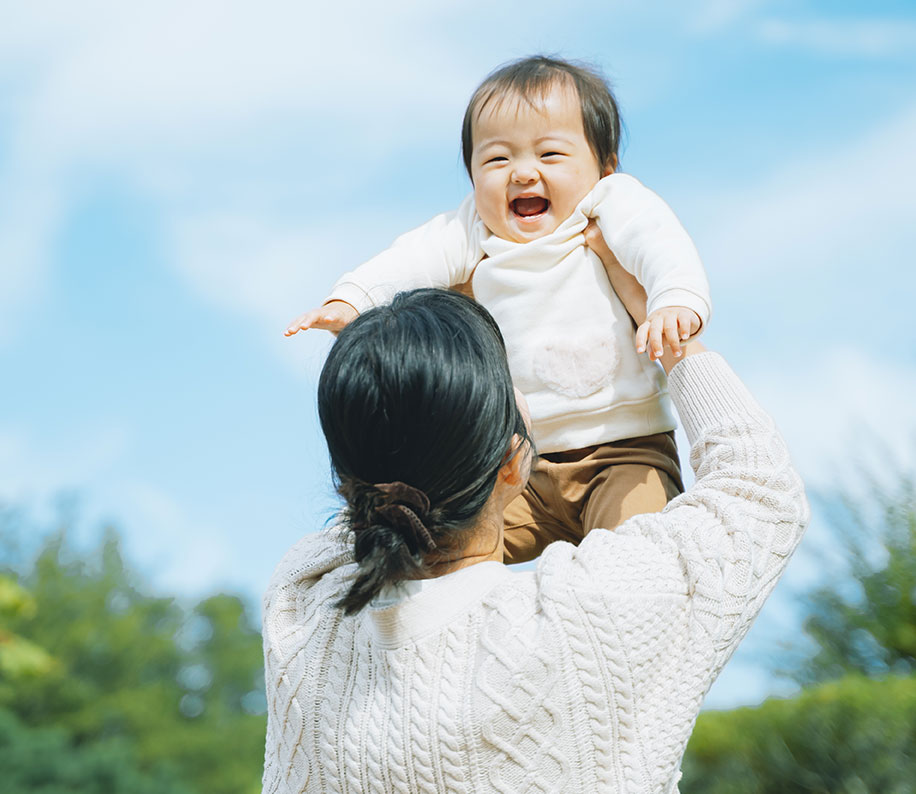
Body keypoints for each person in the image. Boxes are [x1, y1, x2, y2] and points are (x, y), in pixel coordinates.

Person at [262, 285, 809, 793]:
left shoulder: (300, 612)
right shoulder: (591, 617)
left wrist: (391, 376)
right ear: (510, 462)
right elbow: (761, 490)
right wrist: (672, 338)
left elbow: (363, 503)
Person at [284, 55, 712, 562]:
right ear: (471, 176)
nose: (523, 172)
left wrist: (673, 301)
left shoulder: (608, 207)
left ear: (604, 166)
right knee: (451, 561)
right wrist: (351, 299)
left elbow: (659, 243)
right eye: (497, 160)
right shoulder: (473, 232)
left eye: (550, 154)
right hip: (514, 470)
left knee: (640, 558)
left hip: (623, 449)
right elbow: (409, 258)